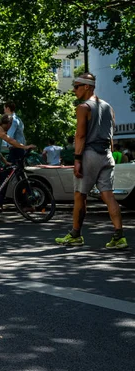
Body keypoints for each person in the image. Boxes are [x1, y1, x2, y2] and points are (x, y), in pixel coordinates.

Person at [55, 73, 127, 249]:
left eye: (77, 86)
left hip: (89, 154)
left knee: (80, 195)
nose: (74, 90)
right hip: (107, 155)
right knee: (108, 196)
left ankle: (75, 235)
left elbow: (80, 135)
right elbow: (111, 136)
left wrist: (78, 159)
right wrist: (109, 152)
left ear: (88, 86)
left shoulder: (83, 107)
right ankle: (119, 237)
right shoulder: (108, 107)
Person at [0, 114, 35, 222]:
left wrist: (5, 162)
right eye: (11, 125)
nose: (10, 127)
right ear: (8, 124)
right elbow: (9, 140)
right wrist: (24, 146)